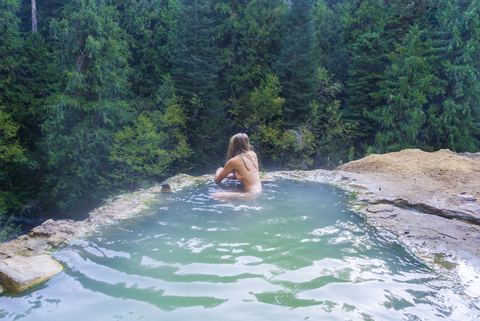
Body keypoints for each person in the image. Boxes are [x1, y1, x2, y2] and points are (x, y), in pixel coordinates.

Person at [213, 133, 262, 198]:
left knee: (215, 195)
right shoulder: (253, 154)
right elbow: (246, 174)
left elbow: (217, 180)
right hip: (259, 191)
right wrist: (228, 175)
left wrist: (218, 170)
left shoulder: (233, 161)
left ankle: (232, 207)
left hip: (251, 194)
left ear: (233, 145)